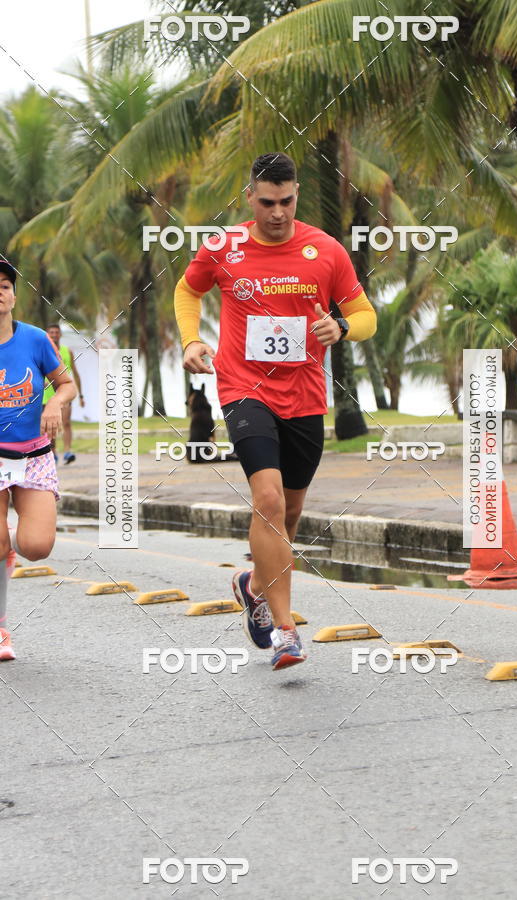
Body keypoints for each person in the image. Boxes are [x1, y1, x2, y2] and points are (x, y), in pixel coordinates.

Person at [174, 152, 376, 671]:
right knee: (265, 497)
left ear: (297, 196)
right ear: (250, 198)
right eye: (267, 202)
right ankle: (287, 631)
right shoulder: (224, 247)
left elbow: (363, 313)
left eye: (286, 201)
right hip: (244, 387)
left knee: (289, 512)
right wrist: (193, 339)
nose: (278, 213)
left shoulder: (325, 250)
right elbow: (187, 290)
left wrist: (344, 328)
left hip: (305, 395)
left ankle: (253, 585)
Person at [0, 261, 76, 660]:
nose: (0, 291)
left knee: (36, 546)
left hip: (33, 455)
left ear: (14, 295)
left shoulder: (33, 339)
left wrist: (55, 406)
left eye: (5, 285)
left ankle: (7, 549)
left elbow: (66, 384)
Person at [43, 322, 85, 464]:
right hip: (46, 394)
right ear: (47, 335)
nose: (54, 335)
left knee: (66, 422)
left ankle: (67, 451)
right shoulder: (42, 351)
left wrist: (81, 395)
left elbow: (76, 374)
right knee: (51, 425)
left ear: (60, 334)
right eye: (51, 332)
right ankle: (52, 452)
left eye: (56, 332)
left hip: (64, 392)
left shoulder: (68, 351)